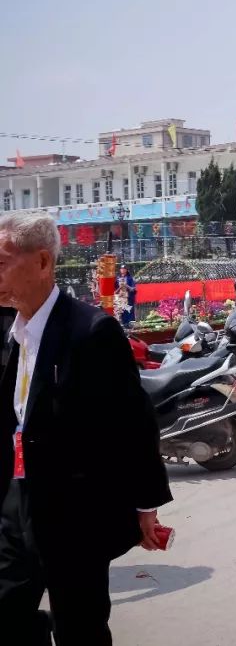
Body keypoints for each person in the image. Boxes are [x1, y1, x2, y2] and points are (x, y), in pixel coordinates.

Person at [0, 213, 171, 645]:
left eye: (1, 263)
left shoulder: (90, 331)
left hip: (74, 509)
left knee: (80, 626)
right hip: (16, 503)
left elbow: (131, 422)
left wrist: (145, 504)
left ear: (42, 262)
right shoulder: (7, 328)